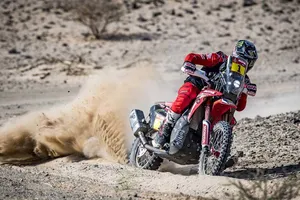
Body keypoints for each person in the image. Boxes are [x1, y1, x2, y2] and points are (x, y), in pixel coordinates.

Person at [152, 40, 258, 148]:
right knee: (187, 95)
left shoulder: (244, 80)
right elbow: (194, 57)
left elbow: (240, 107)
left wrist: (245, 92)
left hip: (218, 99)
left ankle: (220, 149)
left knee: (231, 120)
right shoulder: (221, 58)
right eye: (243, 58)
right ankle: (165, 130)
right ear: (236, 53)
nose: (244, 62)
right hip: (199, 85)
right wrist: (189, 63)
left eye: (249, 61)